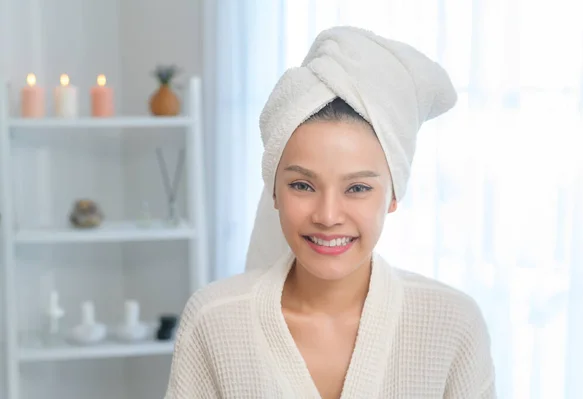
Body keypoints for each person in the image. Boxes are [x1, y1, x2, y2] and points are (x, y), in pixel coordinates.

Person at [164, 26, 496, 399]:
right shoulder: (215, 320)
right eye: (302, 185)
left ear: (392, 196)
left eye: (357, 188)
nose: (327, 215)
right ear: (273, 190)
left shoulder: (452, 325)